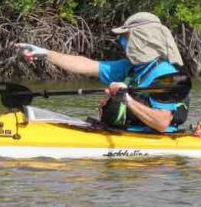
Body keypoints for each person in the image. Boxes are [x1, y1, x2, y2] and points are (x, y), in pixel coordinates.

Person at [15, 12, 189, 133]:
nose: (123, 42)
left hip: (152, 149)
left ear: (142, 40)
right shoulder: (129, 68)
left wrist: (127, 100)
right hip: (123, 132)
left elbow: (162, 122)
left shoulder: (165, 74)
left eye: (127, 38)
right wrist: (46, 54)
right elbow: (86, 65)